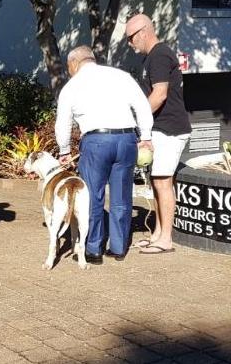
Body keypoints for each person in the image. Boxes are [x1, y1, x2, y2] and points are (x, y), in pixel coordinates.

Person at [55, 45, 153, 264]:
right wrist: (145, 136)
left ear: (74, 63)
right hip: (126, 140)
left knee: (92, 196)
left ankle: (93, 249)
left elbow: (63, 123)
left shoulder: (72, 86)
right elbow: (142, 106)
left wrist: (63, 150)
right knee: (121, 195)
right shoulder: (121, 76)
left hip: (96, 142)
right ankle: (118, 248)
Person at [125, 14, 191, 254]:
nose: (130, 44)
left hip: (170, 129)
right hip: (160, 129)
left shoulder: (160, 55)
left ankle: (166, 239)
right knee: (157, 182)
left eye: (130, 38)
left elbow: (160, 94)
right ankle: (157, 234)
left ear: (143, 32)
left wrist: (137, 121)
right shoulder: (151, 58)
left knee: (163, 182)